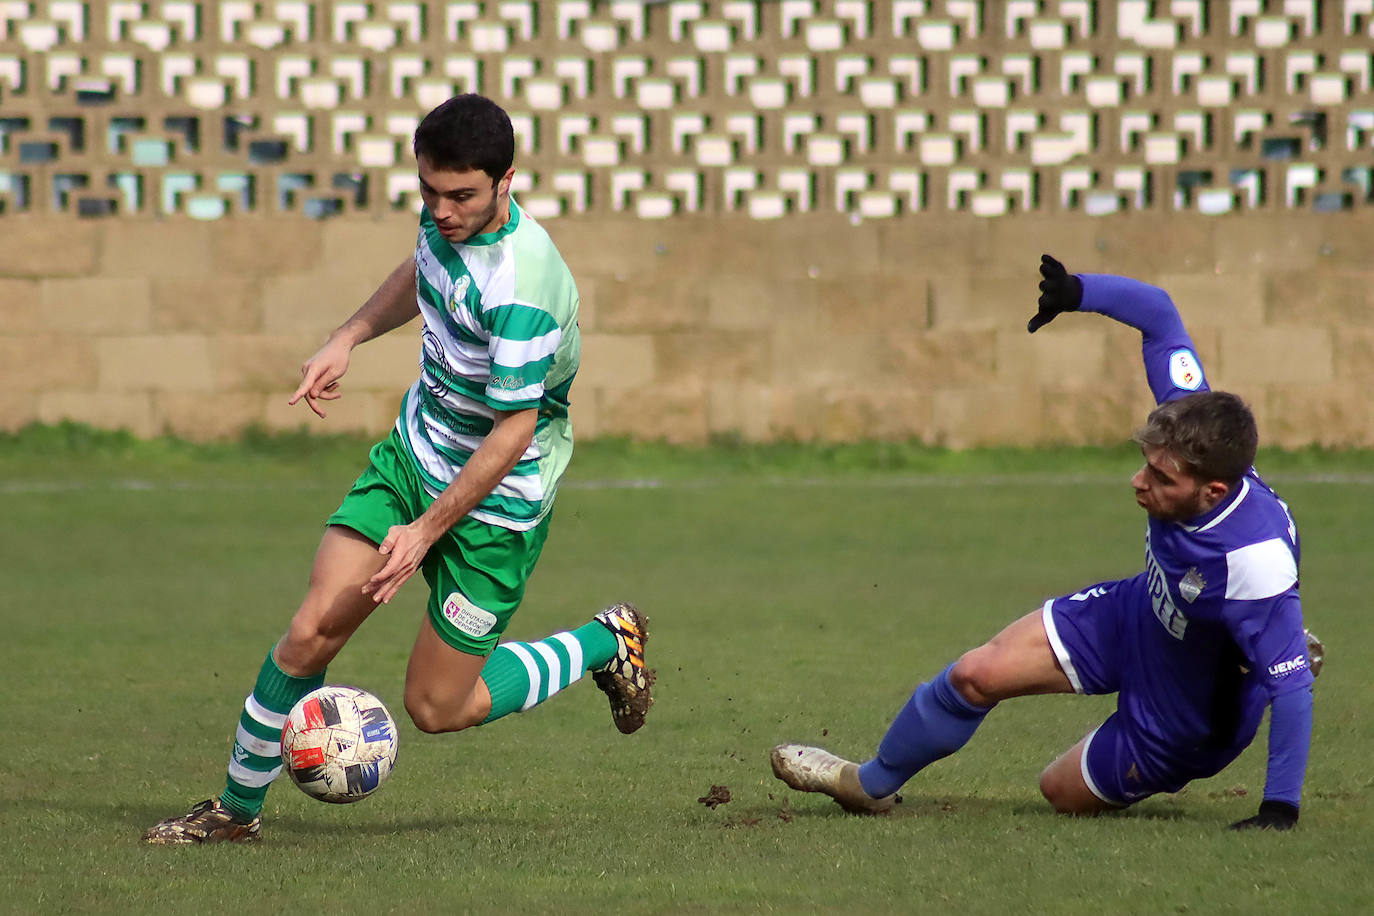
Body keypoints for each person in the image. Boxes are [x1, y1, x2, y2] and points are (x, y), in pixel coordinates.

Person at [145, 94, 652, 845]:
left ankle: (605, 641)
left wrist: (424, 531)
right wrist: (348, 336)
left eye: (461, 195)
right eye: (429, 192)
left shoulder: (525, 287)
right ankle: (234, 811)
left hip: (498, 502)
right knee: (312, 630)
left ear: (507, 181)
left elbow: (514, 430)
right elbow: (422, 273)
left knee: (439, 708)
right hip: (413, 458)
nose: (441, 211)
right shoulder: (444, 219)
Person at [770, 254, 1318, 830]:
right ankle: (868, 785)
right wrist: (1077, 291)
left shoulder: (1253, 563)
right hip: (1140, 614)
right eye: (1145, 465)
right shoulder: (1192, 423)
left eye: (1161, 479)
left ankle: (1267, 656)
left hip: (1183, 712)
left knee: (1058, 790)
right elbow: (1158, 314)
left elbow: (1297, 695)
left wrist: (1278, 810)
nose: (1139, 481)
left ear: (1212, 490)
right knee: (975, 675)